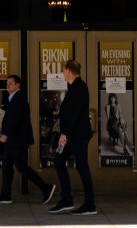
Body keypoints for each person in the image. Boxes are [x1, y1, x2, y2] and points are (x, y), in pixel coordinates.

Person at [0, 74, 56, 205]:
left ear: (18, 85)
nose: (7, 85)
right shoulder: (11, 98)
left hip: (17, 140)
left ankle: (46, 188)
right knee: (7, 166)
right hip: (12, 140)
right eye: (7, 83)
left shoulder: (19, 98)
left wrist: (5, 134)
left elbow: (15, 120)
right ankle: (5, 195)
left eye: (10, 83)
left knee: (22, 167)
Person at [48, 60, 96, 216]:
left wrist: (64, 134)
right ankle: (66, 200)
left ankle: (90, 205)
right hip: (73, 135)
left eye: (63, 71)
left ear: (68, 71)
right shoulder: (75, 87)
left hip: (77, 135)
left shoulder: (79, 87)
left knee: (82, 167)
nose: (63, 74)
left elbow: (74, 114)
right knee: (59, 160)